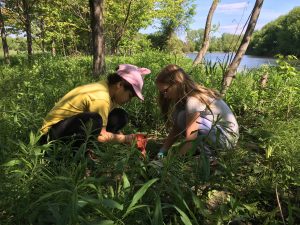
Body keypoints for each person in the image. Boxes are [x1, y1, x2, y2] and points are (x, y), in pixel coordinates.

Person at [40, 64, 151, 148]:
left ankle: (89, 146)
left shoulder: (108, 89)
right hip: (50, 138)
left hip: (67, 128)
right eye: (130, 96)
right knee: (95, 120)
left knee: (121, 115)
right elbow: (101, 136)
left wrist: (124, 139)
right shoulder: (101, 98)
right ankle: (77, 154)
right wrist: (126, 139)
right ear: (120, 85)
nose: (129, 100)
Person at [155, 64, 239, 158]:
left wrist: (172, 161)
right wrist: (164, 150)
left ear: (177, 84)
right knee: (179, 116)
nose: (165, 96)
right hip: (216, 135)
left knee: (183, 117)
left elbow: (191, 140)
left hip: (226, 140)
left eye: (166, 91)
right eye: (162, 93)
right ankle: (205, 150)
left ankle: (209, 156)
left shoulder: (193, 101)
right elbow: (176, 128)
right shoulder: (183, 100)